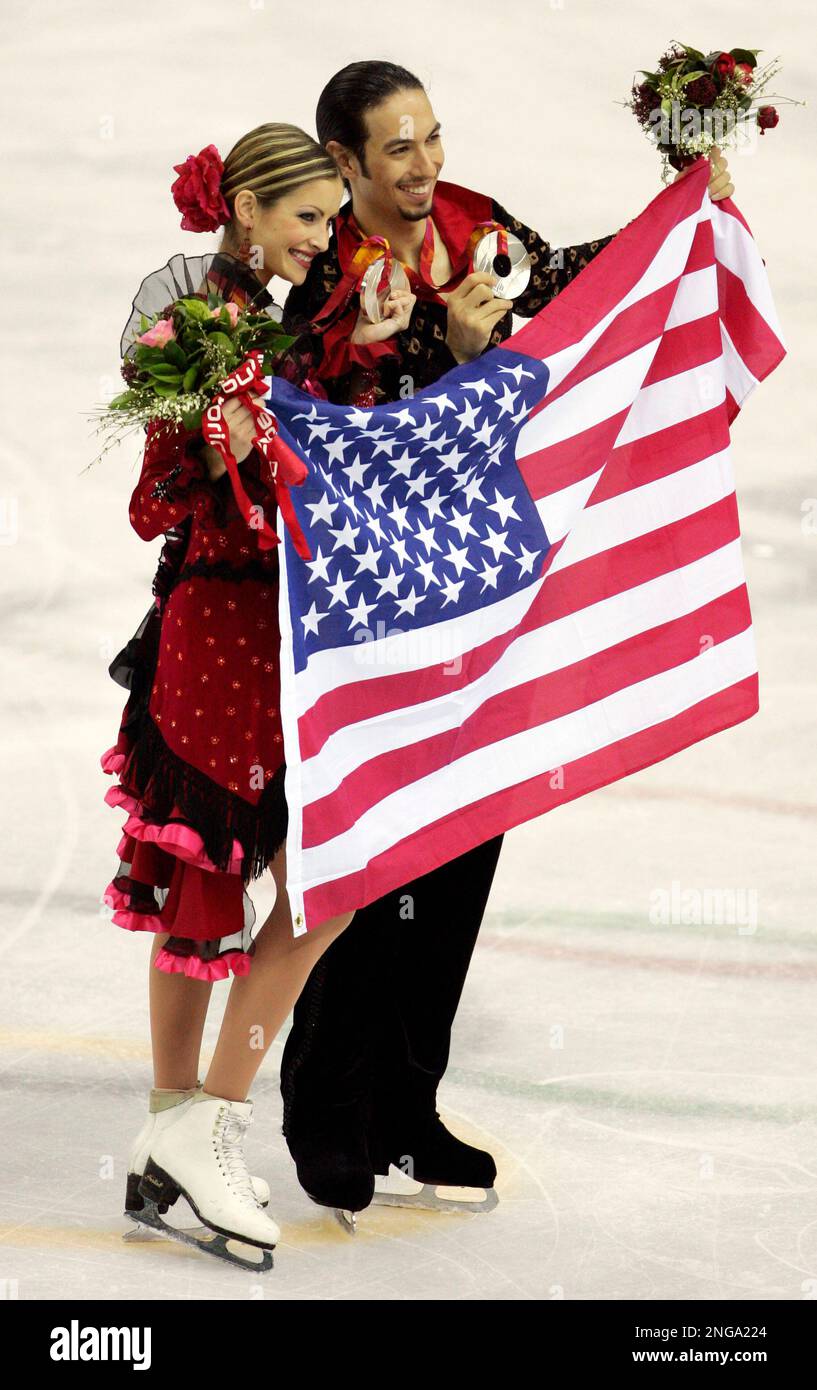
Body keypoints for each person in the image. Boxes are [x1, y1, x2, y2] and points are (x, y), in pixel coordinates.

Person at [277, 60, 736, 1224]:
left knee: (464, 841)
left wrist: (681, 201)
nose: (424, 164)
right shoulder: (320, 277)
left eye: (430, 137)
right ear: (342, 163)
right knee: (374, 864)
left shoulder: (475, 224)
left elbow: (583, 284)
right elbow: (327, 441)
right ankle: (326, 1114)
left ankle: (406, 1106)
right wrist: (450, 361)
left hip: (482, 592)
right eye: (396, 149)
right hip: (376, 606)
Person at [100, 122, 414, 1269]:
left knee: (328, 876)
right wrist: (208, 443)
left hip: (283, 637)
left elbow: (316, 428)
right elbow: (152, 502)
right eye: (309, 219)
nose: (324, 239)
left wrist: (364, 351)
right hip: (216, 635)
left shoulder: (273, 319)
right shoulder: (192, 326)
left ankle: (184, 1125)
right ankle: (198, 1121)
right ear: (244, 210)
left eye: (331, 219)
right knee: (208, 888)